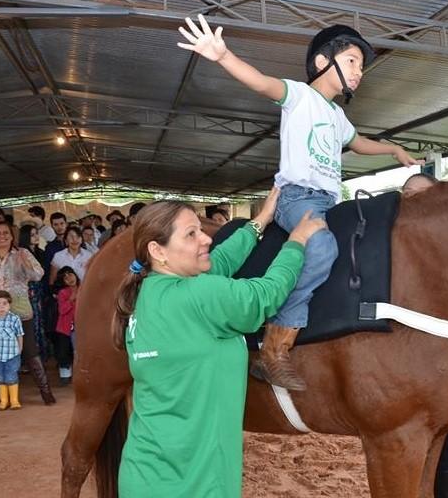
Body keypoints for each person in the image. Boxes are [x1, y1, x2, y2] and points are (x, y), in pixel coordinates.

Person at [177, 14, 423, 390]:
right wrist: (224, 56)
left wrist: (392, 149)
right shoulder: (299, 96)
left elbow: (358, 143)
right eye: (352, 61)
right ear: (323, 61)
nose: (359, 71)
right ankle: (274, 346)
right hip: (297, 197)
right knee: (322, 247)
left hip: (328, 200)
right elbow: (261, 83)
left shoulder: (338, 115)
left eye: (361, 65)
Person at [114, 188, 324, 497]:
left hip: (144, 476)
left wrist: (260, 221)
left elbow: (219, 262)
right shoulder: (198, 295)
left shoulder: (146, 292)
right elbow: (264, 295)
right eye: (191, 234)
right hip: (194, 484)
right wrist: (297, 241)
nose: (206, 239)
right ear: (158, 250)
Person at [402, 172, 448, 498]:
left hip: (443, 368)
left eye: (421, 194)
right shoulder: (389, 242)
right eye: (407, 192)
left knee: (445, 454)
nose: (412, 199)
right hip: (404, 370)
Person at [0, 221, 55, 404]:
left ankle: (46, 391)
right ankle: (4, 396)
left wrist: (25, 263)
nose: (2, 236)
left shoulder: (22, 253)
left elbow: (39, 274)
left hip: (20, 309)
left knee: (29, 350)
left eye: (6, 233)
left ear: (12, 236)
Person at [18, 223, 52, 363]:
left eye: (36, 234)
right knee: (31, 323)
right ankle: (30, 357)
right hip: (27, 291)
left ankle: (41, 354)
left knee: (40, 321)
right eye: (32, 235)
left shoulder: (40, 252)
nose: (36, 237)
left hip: (40, 290)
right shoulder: (21, 253)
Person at [0, 290, 24, 410]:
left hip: (12, 354)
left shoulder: (14, 319)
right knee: (0, 377)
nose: (2, 307)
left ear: (9, 304)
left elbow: (19, 335)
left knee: (11, 376)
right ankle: (4, 401)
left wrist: (20, 349)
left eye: (5, 303)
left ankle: (14, 400)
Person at [53, 266, 79, 386]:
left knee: (78, 351)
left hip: (79, 326)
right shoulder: (63, 292)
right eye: (65, 277)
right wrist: (71, 300)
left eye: (71, 274)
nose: (70, 278)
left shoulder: (84, 288)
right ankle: (65, 375)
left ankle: (79, 374)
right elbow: (62, 310)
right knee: (63, 352)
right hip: (65, 327)